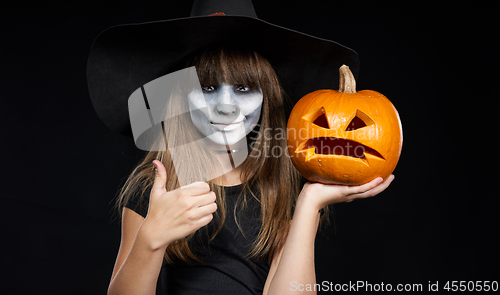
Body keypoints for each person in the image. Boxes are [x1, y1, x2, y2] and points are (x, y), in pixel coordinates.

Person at [105, 46, 394, 295]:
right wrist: (149, 239)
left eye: (243, 88)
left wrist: (309, 204)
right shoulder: (154, 188)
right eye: (207, 88)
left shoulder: (286, 190)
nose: (226, 107)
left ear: (266, 97)